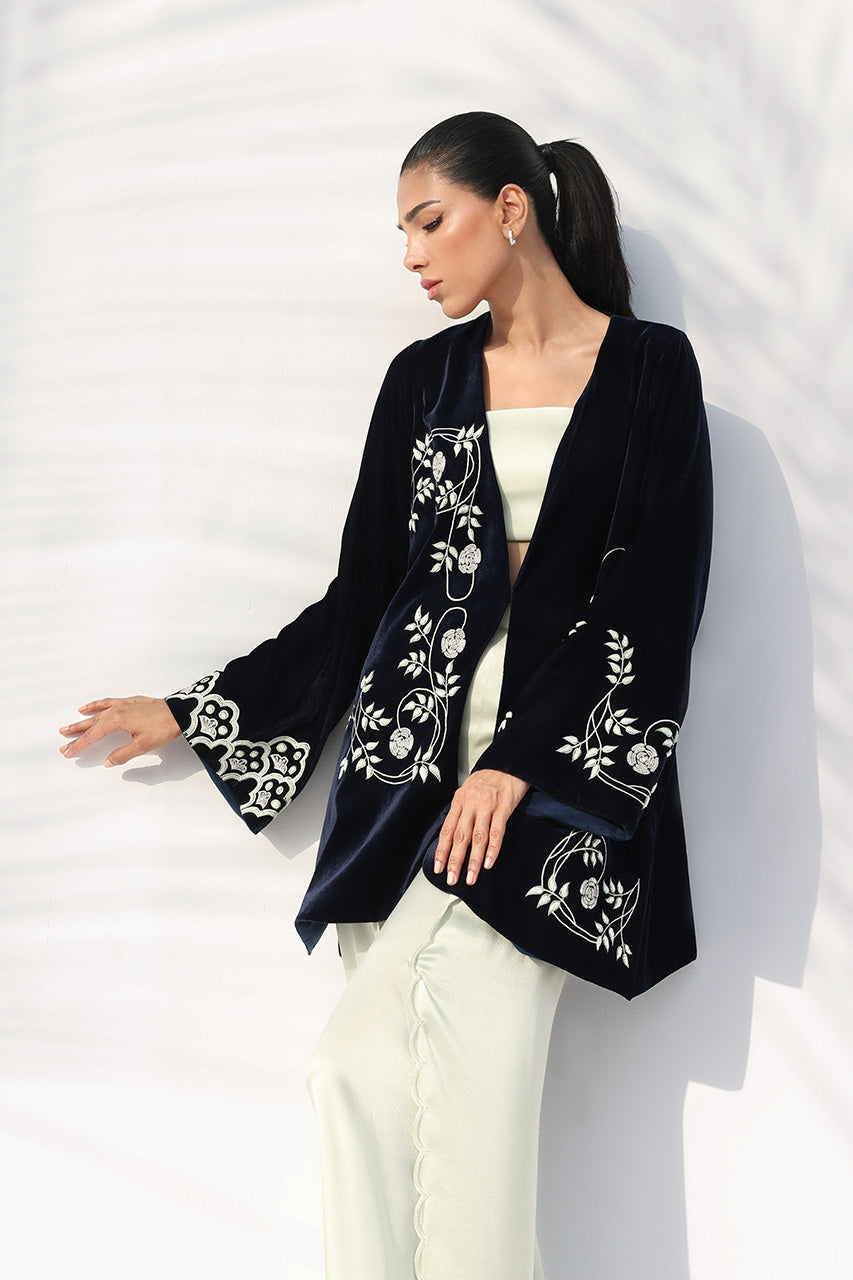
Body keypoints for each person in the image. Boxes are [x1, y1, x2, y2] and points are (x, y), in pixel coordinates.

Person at [59, 111, 713, 1279]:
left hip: (548, 794)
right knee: (397, 1104)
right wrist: (198, 707)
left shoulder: (650, 370)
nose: (410, 254)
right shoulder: (425, 381)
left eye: (428, 221)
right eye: (400, 231)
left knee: (409, 1102)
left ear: (508, 209)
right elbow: (365, 594)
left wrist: (518, 766)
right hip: (403, 793)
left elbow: (651, 599)